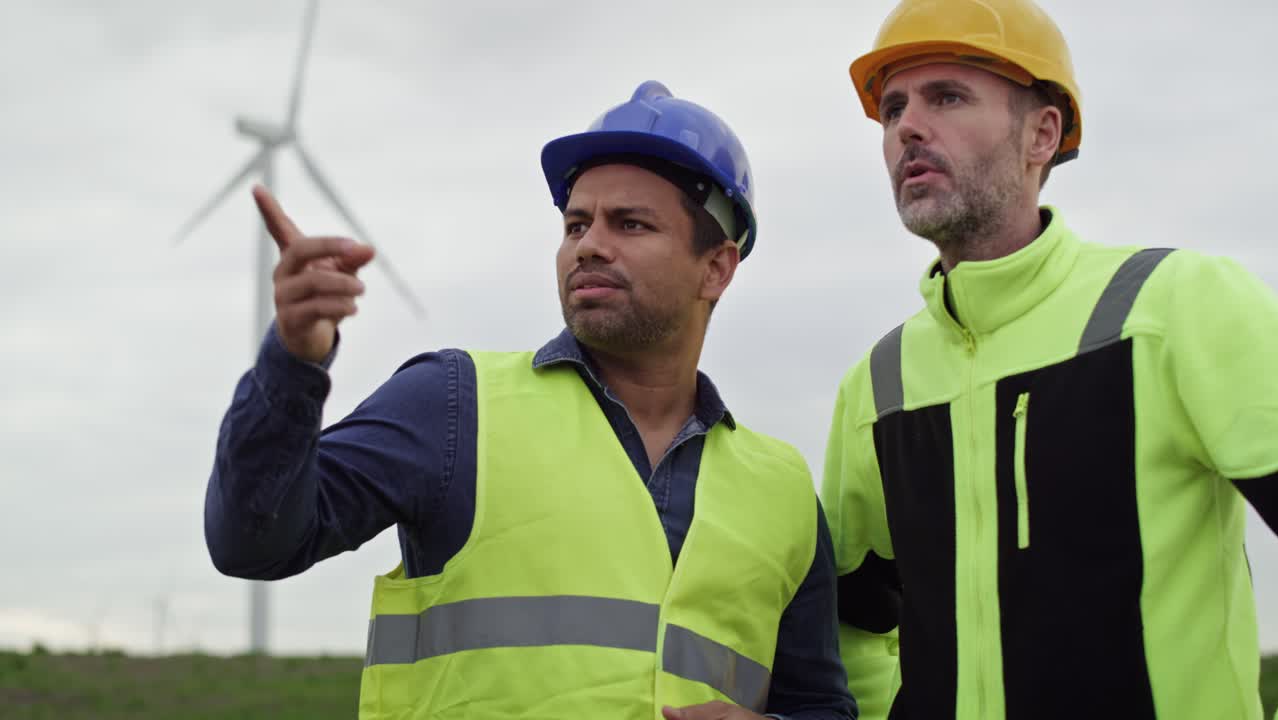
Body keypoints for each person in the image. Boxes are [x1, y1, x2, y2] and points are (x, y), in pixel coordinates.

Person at [204, 80, 856, 720]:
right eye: (576, 224)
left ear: (716, 267)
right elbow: (252, 542)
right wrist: (293, 361)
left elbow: (821, 705)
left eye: (629, 223)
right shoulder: (454, 405)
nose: (589, 245)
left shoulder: (784, 492)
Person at [820, 1, 1278, 718]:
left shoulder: (1178, 307)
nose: (907, 125)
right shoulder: (878, 385)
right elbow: (853, 623)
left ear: (1043, 134)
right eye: (893, 108)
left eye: (947, 97)